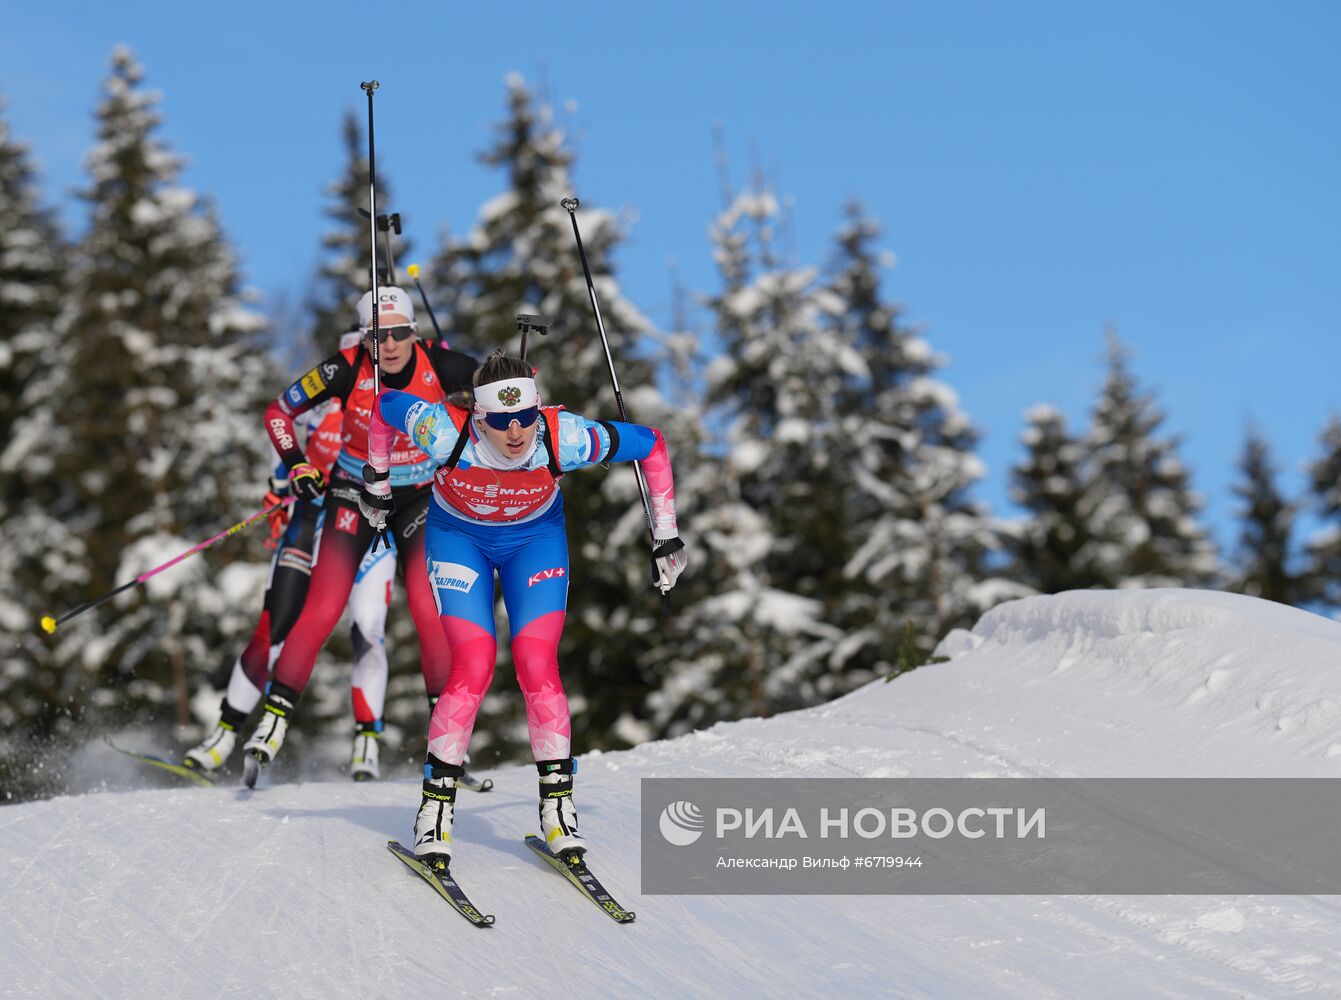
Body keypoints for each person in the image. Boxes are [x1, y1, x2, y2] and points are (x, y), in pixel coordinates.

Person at [358, 352, 687, 867]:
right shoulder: (444, 431)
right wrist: (376, 480)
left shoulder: (566, 437)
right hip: (457, 538)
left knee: (537, 662)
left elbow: (653, 445)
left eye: (525, 418)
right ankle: (435, 810)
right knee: (474, 663)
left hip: (534, 540)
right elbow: (382, 405)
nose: (515, 433)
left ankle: (557, 809)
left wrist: (665, 535)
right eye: (499, 422)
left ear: (537, 408)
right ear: (476, 415)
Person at [241, 287, 477, 781]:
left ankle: (450, 740)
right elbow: (277, 412)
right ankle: (273, 720)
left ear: (415, 332)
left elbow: (506, 392)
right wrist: (297, 464)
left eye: (398, 334)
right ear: (364, 338)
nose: (388, 345)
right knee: (324, 606)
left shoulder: (444, 364)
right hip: (355, 490)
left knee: (430, 608)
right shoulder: (345, 367)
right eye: (376, 336)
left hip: (417, 496)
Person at [184, 332, 397, 781]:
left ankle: (366, 743)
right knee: (274, 625)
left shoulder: (395, 400)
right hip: (311, 518)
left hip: (371, 530)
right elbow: (284, 453)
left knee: (368, 628)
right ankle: (225, 734)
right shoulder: (318, 405)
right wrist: (280, 489)